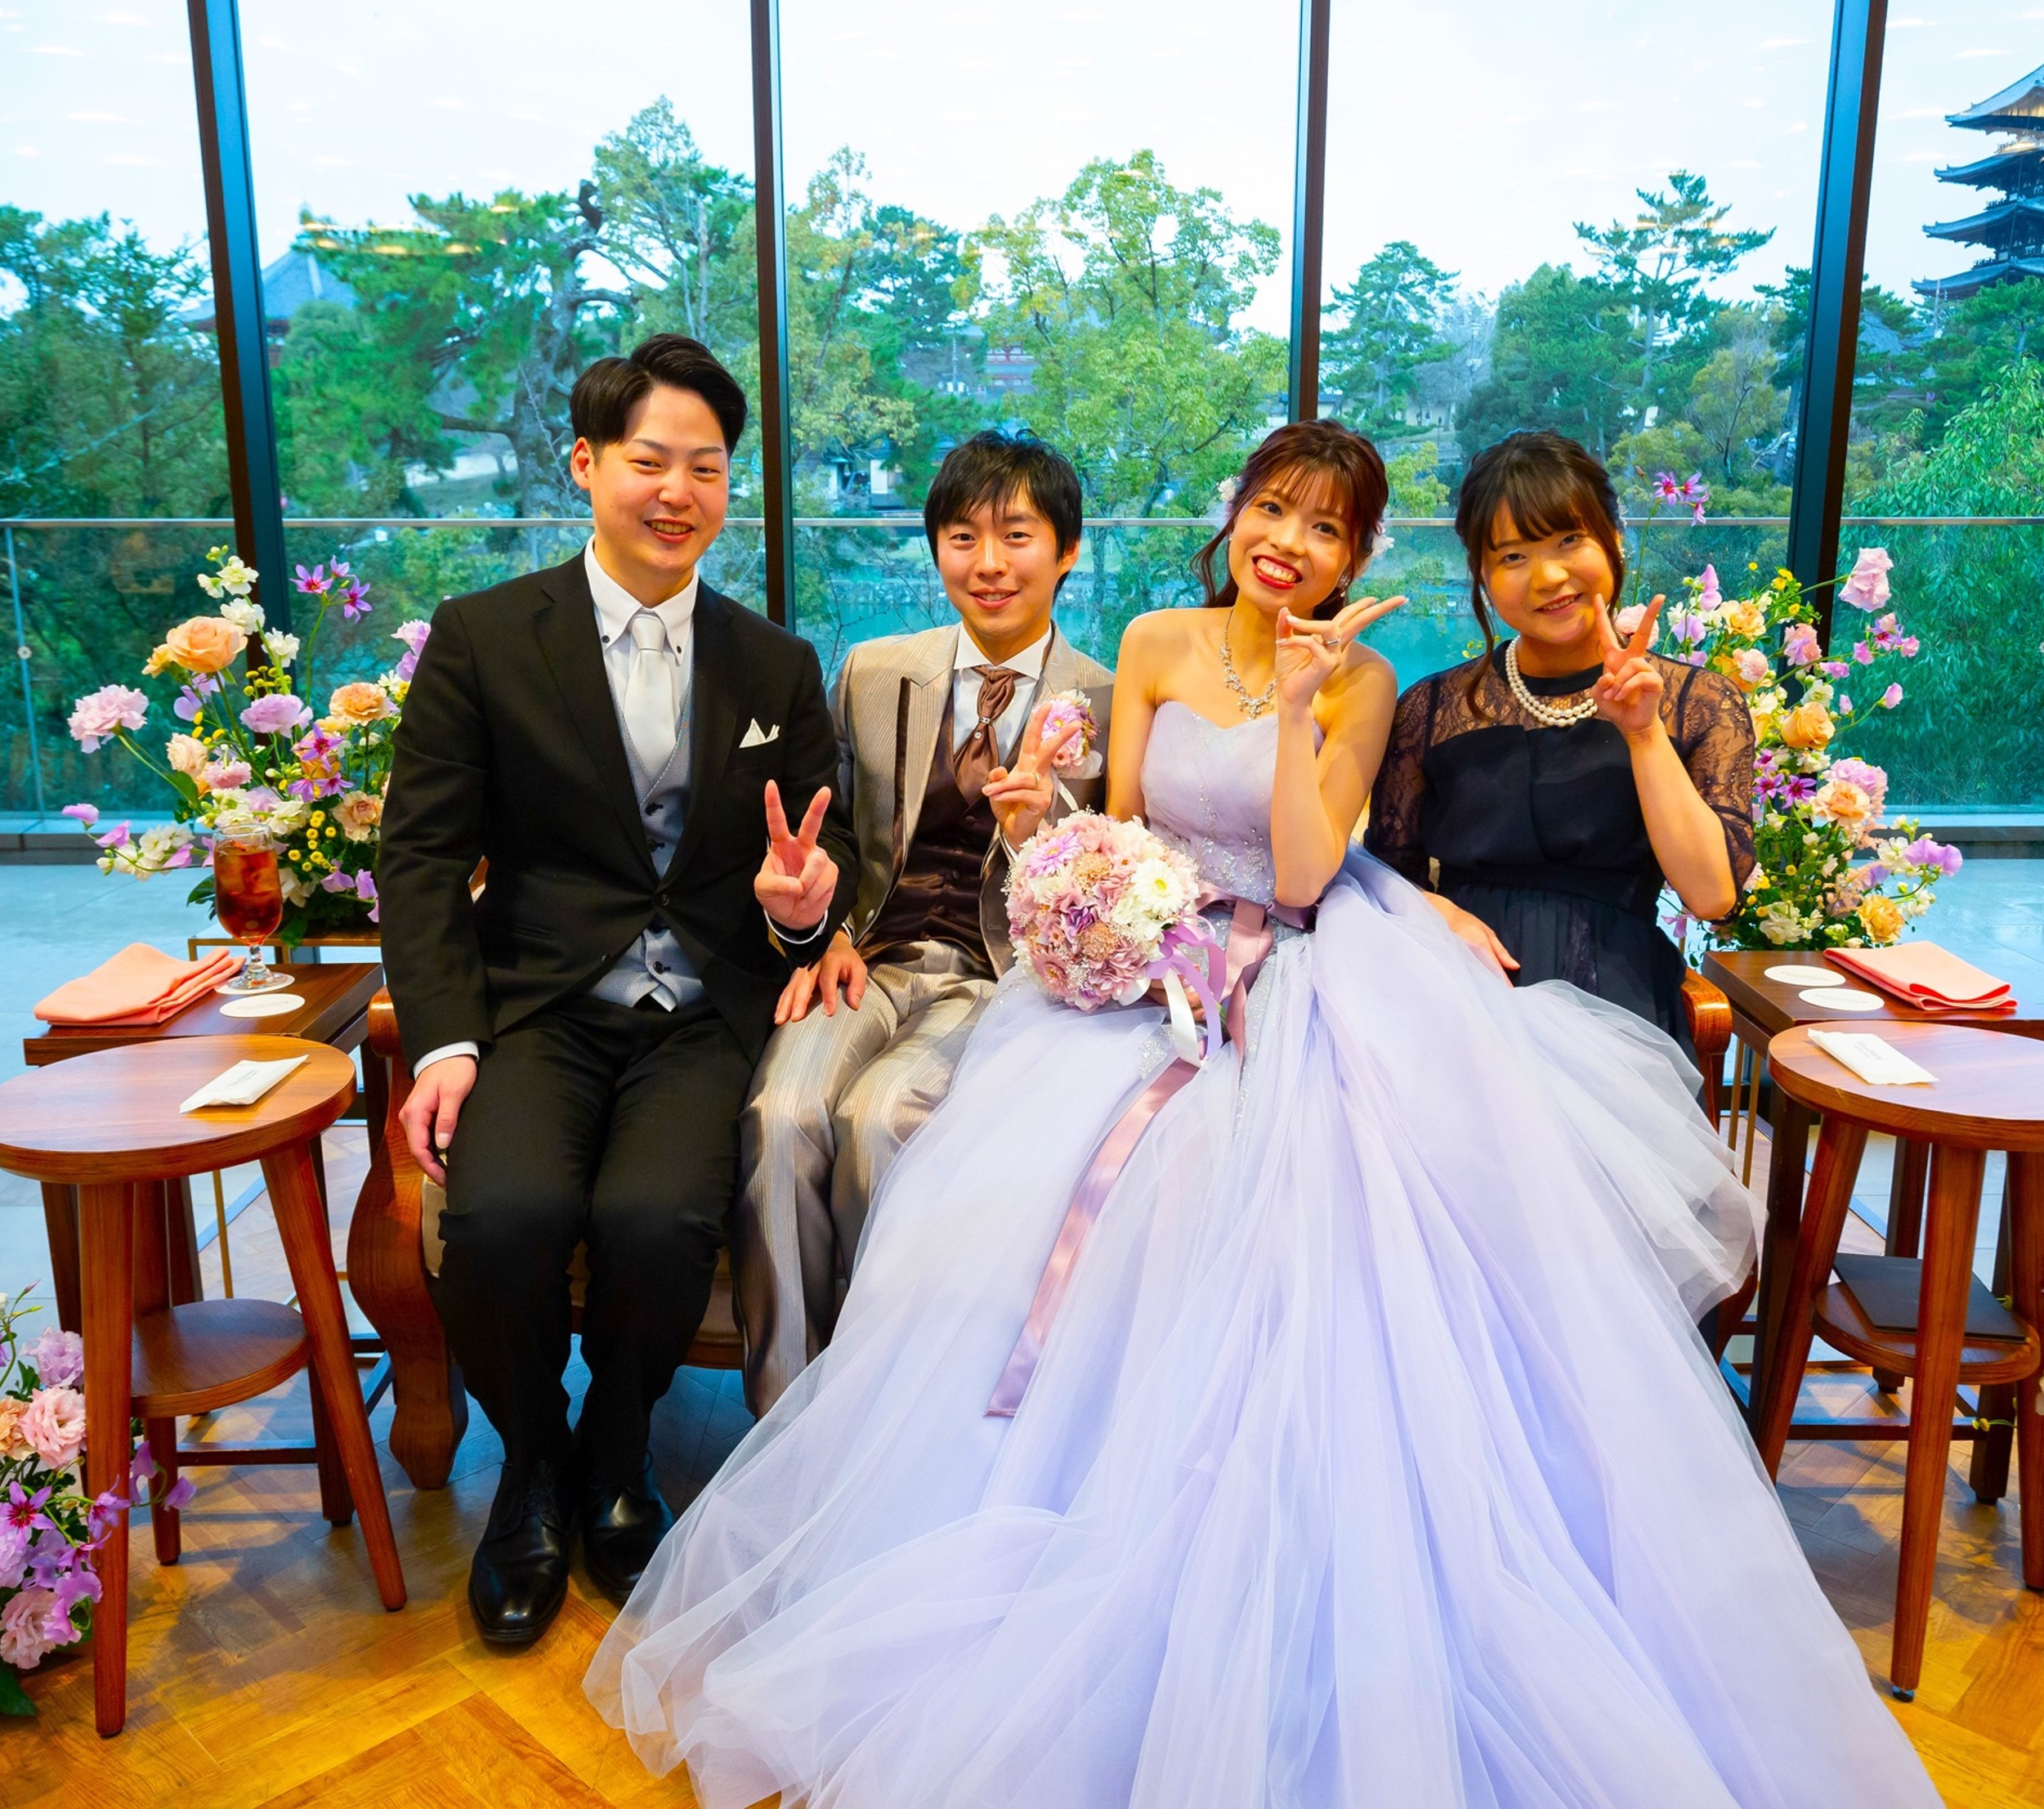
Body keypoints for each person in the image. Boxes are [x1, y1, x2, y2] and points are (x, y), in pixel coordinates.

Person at [584, 420, 1940, 1807]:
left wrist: (1297, 711)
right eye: (1273, 510)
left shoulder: (1365, 682)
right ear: (1234, 514)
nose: (1290, 542)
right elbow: (1122, 832)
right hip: (1143, 976)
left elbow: (1301, 877)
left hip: (1290, 967)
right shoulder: (1157, 643)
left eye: (1327, 527)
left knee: (1278, 1217)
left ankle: (1263, 1557)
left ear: (1356, 557)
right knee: (1025, 1189)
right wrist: (1076, 883)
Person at [377, 334, 856, 1641]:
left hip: (699, 1015)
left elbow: (823, 855)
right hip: (537, 1006)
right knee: (498, 1219)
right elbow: (417, 854)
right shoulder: (485, 638)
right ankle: (532, 1463)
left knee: (656, 1222)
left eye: (705, 466)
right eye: (649, 459)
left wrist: (804, 909)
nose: (677, 490)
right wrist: (444, 1043)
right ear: (587, 464)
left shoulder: (773, 662)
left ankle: (618, 1446)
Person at [737, 431, 1114, 1416]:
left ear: (1067, 551)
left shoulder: (1107, 701)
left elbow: (1105, 888)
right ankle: (784, 1412)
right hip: (870, 955)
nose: (988, 564)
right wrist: (819, 929)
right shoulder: (872, 672)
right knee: (781, 1115)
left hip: (999, 978)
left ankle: (882, 1407)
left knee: (881, 1120)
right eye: (962, 537)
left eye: (1017, 536)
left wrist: (1037, 835)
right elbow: (832, 836)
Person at [1371, 429, 1753, 1056]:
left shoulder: (1697, 702)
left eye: (1569, 540)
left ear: (1613, 538)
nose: (1548, 576)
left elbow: (1710, 896)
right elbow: (1384, 881)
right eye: (1512, 556)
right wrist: (1436, 913)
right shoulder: (1432, 709)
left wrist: (1643, 733)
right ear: (1482, 575)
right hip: (1456, 1000)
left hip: (1615, 1007)